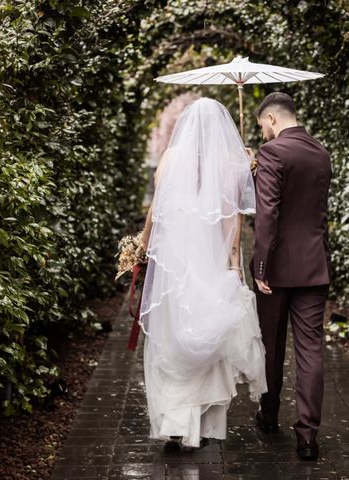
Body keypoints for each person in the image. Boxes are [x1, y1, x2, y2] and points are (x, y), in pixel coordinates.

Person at [137, 97, 267, 450]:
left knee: (172, 340)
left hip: (174, 264)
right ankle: (196, 428)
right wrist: (233, 267)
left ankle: (173, 423)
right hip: (210, 263)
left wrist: (143, 243)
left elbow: (155, 210)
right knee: (207, 341)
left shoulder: (169, 158)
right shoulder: (229, 164)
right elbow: (233, 222)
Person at [246, 92, 332, 461]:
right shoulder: (321, 152)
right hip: (315, 265)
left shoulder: (272, 153)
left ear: (272, 119)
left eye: (263, 126)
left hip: (277, 269)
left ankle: (268, 416)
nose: (263, 133)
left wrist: (261, 266)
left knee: (272, 344)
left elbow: (268, 214)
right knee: (311, 350)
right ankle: (308, 436)